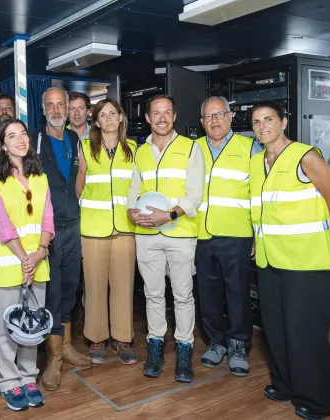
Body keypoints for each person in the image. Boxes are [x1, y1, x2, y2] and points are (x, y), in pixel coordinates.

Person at [249, 101, 330, 420]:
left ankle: (318, 400)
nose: (263, 126)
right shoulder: (257, 161)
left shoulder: (306, 156)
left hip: (306, 262)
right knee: (275, 328)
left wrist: (312, 237)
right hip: (269, 260)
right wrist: (258, 240)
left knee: (306, 332)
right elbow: (262, 209)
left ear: (284, 122)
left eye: (269, 119)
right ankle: (285, 384)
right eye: (257, 121)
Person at [0, 118, 53, 411]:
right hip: (8, 265)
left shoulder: (40, 178)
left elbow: (48, 219)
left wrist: (41, 251)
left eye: (23, 134)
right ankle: (8, 381)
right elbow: (2, 226)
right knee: (8, 326)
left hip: (37, 262)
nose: (21, 139)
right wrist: (25, 258)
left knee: (33, 325)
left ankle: (28, 376)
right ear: (2, 145)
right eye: (12, 135)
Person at [128, 94, 204, 383]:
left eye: (167, 113)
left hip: (181, 233)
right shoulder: (140, 151)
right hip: (146, 234)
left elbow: (195, 193)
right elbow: (133, 190)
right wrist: (131, 212)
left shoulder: (190, 148)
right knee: (152, 294)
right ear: (148, 117)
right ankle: (155, 348)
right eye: (156, 113)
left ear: (174, 116)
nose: (161, 118)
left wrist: (169, 215)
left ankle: (184, 350)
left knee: (183, 295)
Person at [194, 96, 260, 377]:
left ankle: (238, 344)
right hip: (201, 234)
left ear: (231, 116)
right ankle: (216, 342)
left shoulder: (250, 148)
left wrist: (258, 233)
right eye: (208, 117)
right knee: (207, 295)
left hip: (237, 235)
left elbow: (260, 194)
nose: (214, 121)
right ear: (202, 122)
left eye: (219, 114)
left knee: (237, 294)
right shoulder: (192, 149)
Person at [31, 86, 92, 391]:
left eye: (61, 105)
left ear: (69, 110)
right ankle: (53, 359)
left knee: (69, 288)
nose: (56, 110)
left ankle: (66, 346)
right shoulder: (34, 140)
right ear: (43, 110)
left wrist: (75, 198)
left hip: (73, 226)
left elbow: (79, 173)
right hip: (49, 230)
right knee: (52, 294)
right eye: (50, 105)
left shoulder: (73, 138)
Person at [75, 99, 138, 365]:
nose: (110, 118)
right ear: (96, 121)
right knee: (95, 287)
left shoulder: (134, 149)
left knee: (124, 287)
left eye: (114, 113)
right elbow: (79, 188)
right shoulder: (85, 147)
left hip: (125, 229)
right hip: (93, 229)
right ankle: (97, 338)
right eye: (104, 114)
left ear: (121, 118)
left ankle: (123, 338)